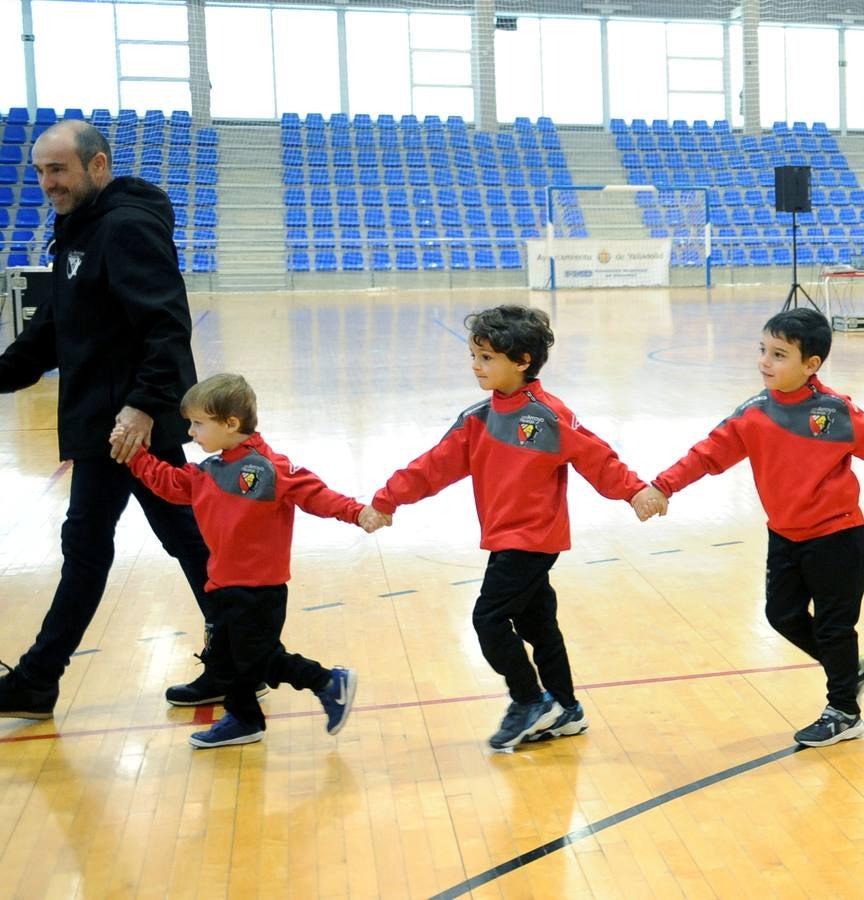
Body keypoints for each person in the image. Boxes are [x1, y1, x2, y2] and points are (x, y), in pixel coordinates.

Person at [0, 119, 227, 719]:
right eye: (41, 171)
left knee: (106, 543)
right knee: (167, 539)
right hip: (107, 422)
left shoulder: (123, 229)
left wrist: (142, 405)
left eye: (59, 170)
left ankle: (37, 679)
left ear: (97, 166)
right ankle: (243, 656)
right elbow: (55, 327)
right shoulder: (76, 227)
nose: (48, 183)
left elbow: (166, 324)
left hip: (129, 426)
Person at [366, 305, 665, 752]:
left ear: (522, 361)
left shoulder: (547, 414)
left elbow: (596, 457)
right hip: (505, 537)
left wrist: (635, 491)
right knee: (538, 624)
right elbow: (433, 466)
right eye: (474, 356)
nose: (476, 366)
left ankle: (529, 700)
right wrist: (388, 498)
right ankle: (565, 708)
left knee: (487, 618)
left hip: (534, 538)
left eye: (486, 358)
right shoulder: (478, 419)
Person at [648, 308, 864, 747]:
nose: (765, 362)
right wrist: (663, 486)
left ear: (812, 365)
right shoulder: (753, 414)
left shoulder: (834, 412)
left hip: (837, 537)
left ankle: (844, 709)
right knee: (781, 615)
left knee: (833, 627)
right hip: (785, 535)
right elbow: (706, 454)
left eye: (779, 354)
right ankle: (853, 672)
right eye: (763, 351)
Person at [117, 374, 363, 748]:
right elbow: (169, 484)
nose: (191, 432)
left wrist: (356, 512)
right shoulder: (208, 472)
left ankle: (329, 682)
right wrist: (136, 456)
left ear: (231, 423)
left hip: (258, 590)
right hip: (221, 584)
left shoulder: (268, 468)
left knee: (260, 659)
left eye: (198, 424)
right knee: (227, 662)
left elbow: (316, 495)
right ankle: (244, 720)